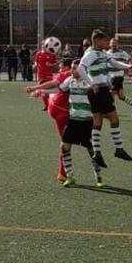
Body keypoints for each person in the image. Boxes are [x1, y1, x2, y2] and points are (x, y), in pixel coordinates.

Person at [32, 59, 104, 188]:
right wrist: (42, 92)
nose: (72, 70)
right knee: (64, 147)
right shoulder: (69, 80)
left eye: (75, 68)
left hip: (87, 122)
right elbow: (59, 89)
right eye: (71, 68)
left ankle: (98, 177)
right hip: (73, 120)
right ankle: (70, 177)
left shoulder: (90, 83)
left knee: (92, 150)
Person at [78, 29, 132, 167]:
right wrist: (91, 83)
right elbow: (80, 69)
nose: (106, 42)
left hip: (98, 90)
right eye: (104, 40)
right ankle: (118, 149)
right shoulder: (91, 54)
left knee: (98, 121)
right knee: (114, 118)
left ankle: (97, 153)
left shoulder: (101, 53)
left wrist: (128, 66)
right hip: (99, 89)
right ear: (97, 41)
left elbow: (114, 62)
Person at [26, 57, 75, 182]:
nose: (59, 68)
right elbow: (55, 85)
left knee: (68, 141)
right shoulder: (68, 74)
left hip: (59, 108)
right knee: (67, 142)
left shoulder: (74, 75)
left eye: (61, 66)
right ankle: (63, 173)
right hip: (61, 110)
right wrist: (37, 88)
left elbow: (58, 88)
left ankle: (64, 172)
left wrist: (40, 90)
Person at [108, 38, 132, 117]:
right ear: (109, 44)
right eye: (112, 43)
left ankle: (112, 113)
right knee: (121, 96)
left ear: (117, 44)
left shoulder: (122, 53)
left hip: (117, 77)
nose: (113, 44)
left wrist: (130, 71)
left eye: (115, 43)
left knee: (110, 96)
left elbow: (130, 60)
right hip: (111, 77)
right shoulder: (107, 53)